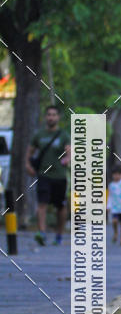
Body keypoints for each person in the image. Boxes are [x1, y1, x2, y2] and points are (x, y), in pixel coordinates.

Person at [26, 105, 71, 246]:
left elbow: (70, 152)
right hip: (43, 174)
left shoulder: (63, 135)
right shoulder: (39, 135)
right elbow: (29, 152)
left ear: (58, 117)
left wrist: (67, 158)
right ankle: (42, 233)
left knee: (60, 207)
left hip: (60, 176)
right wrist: (27, 165)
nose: (51, 117)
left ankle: (59, 234)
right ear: (46, 117)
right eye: (49, 114)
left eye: (54, 115)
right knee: (42, 203)